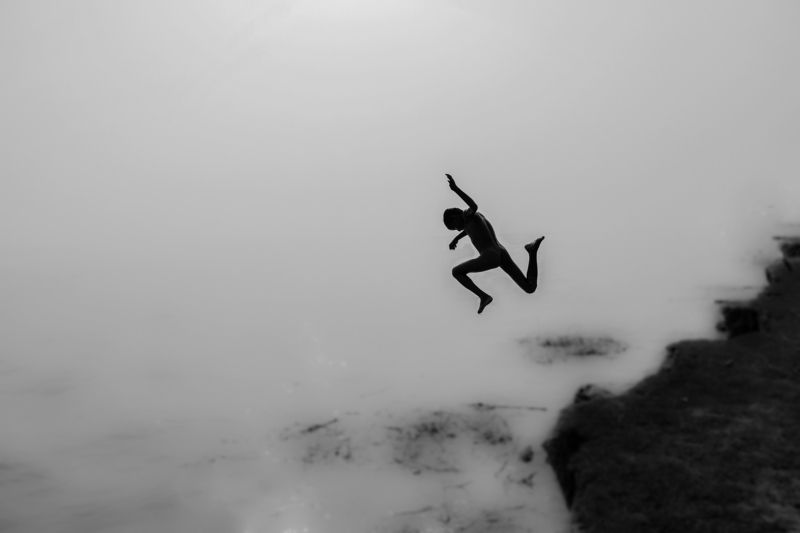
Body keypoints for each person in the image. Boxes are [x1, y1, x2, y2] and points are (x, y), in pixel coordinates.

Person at [443, 174, 544, 314]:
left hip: (490, 256)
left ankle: (483, 296)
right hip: (501, 252)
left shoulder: (468, 214)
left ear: (455, 216)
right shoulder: (475, 219)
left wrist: (455, 189)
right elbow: (469, 229)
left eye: (454, 227)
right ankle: (532, 252)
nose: (458, 230)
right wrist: (457, 238)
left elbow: (473, 205)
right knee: (529, 287)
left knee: (456, 272)